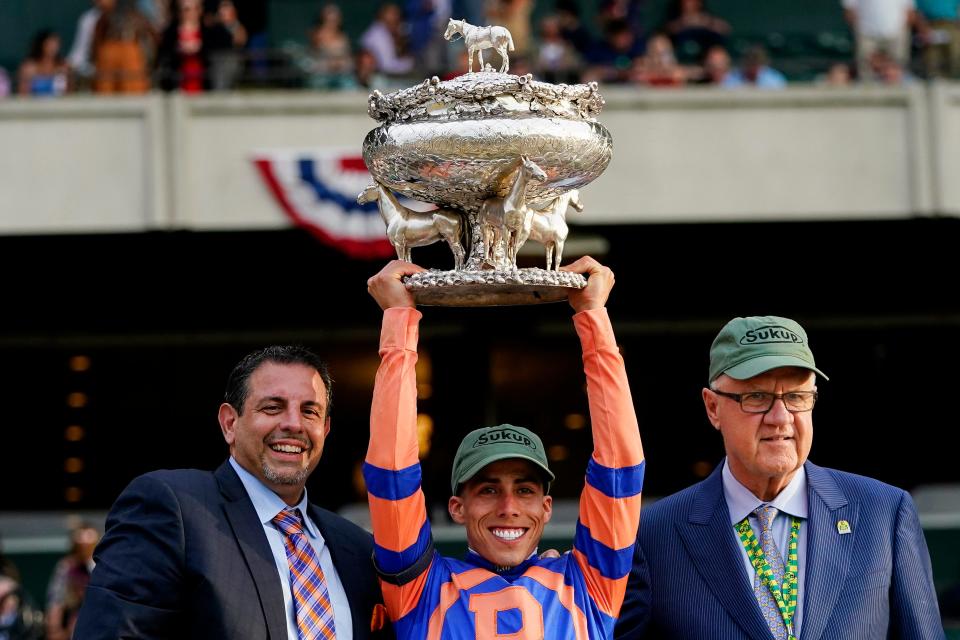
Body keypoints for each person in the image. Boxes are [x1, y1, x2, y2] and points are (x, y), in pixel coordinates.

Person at [363, 257, 645, 638]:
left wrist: (594, 316)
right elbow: (392, 473)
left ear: (546, 508)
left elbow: (620, 467)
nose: (508, 508)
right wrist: (398, 322)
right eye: (488, 489)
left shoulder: (589, 583)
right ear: (457, 508)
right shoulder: (420, 590)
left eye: (525, 489)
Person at [614, 315, 945, 639]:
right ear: (713, 408)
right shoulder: (654, 535)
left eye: (796, 397)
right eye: (757, 397)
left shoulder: (883, 513)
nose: (780, 418)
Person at [73, 345, 393, 639]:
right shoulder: (171, 508)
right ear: (229, 423)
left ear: (324, 429)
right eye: (273, 407)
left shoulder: (358, 548)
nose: (294, 424)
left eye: (310, 411)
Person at [45, 524, 99, 640]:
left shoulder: (101, 566)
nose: (84, 545)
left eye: (88, 541)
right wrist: (55, 629)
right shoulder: (66, 567)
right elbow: (55, 600)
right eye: (80, 543)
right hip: (72, 624)